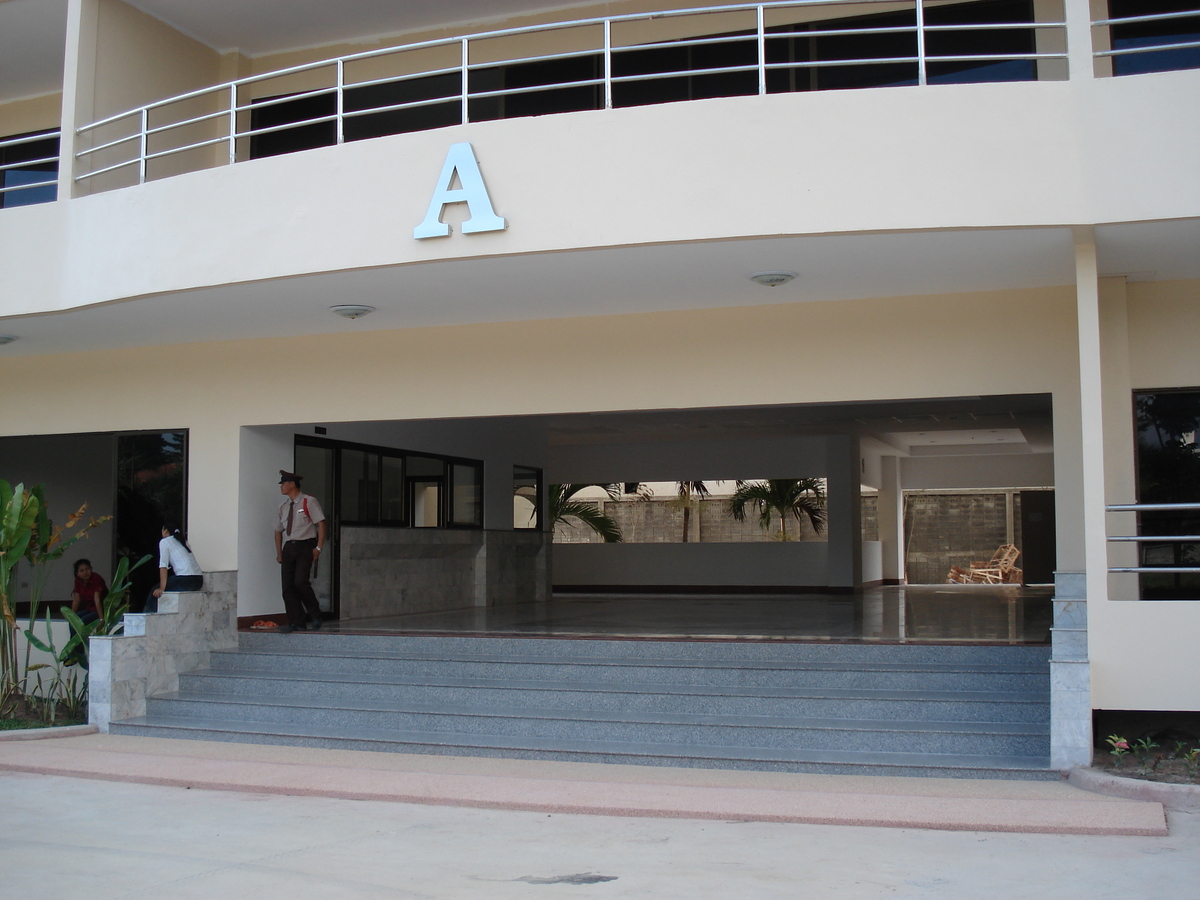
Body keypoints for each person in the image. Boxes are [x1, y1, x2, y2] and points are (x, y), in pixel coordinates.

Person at [274, 470, 326, 633]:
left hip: (305, 545)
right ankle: (297, 621)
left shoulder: (308, 501)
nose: (282, 487)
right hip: (289, 547)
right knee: (287, 587)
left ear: (292, 484)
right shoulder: (283, 507)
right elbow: (277, 530)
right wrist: (279, 552)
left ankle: (315, 615)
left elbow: (322, 524)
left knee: (300, 582)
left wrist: (318, 548)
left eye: (284, 483)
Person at [144, 524, 204, 613]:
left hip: (186, 579)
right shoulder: (183, 542)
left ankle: (146, 618)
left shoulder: (165, 542)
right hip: (199, 580)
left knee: (154, 592)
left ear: (165, 531)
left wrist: (161, 588)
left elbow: (163, 566)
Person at [70, 558, 107, 625]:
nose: (85, 572)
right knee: (74, 620)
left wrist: (101, 619)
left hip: (102, 609)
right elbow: (76, 600)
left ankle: (83, 636)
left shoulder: (96, 578)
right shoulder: (78, 580)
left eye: (87, 569)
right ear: (77, 573)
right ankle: (73, 636)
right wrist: (71, 615)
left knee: (83, 620)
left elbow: (97, 600)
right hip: (90, 608)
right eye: (82, 570)